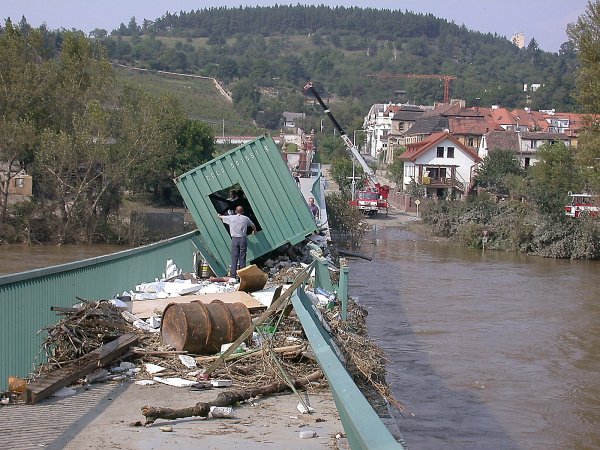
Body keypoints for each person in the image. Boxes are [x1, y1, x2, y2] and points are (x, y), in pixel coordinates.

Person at [218, 206, 257, 279]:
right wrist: (254, 232)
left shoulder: (231, 217)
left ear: (235, 211)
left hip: (235, 239)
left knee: (234, 258)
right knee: (242, 258)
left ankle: (233, 276)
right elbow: (253, 225)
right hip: (243, 239)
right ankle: (243, 276)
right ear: (242, 212)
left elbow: (221, 217)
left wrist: (218, 215)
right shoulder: (246, 218)